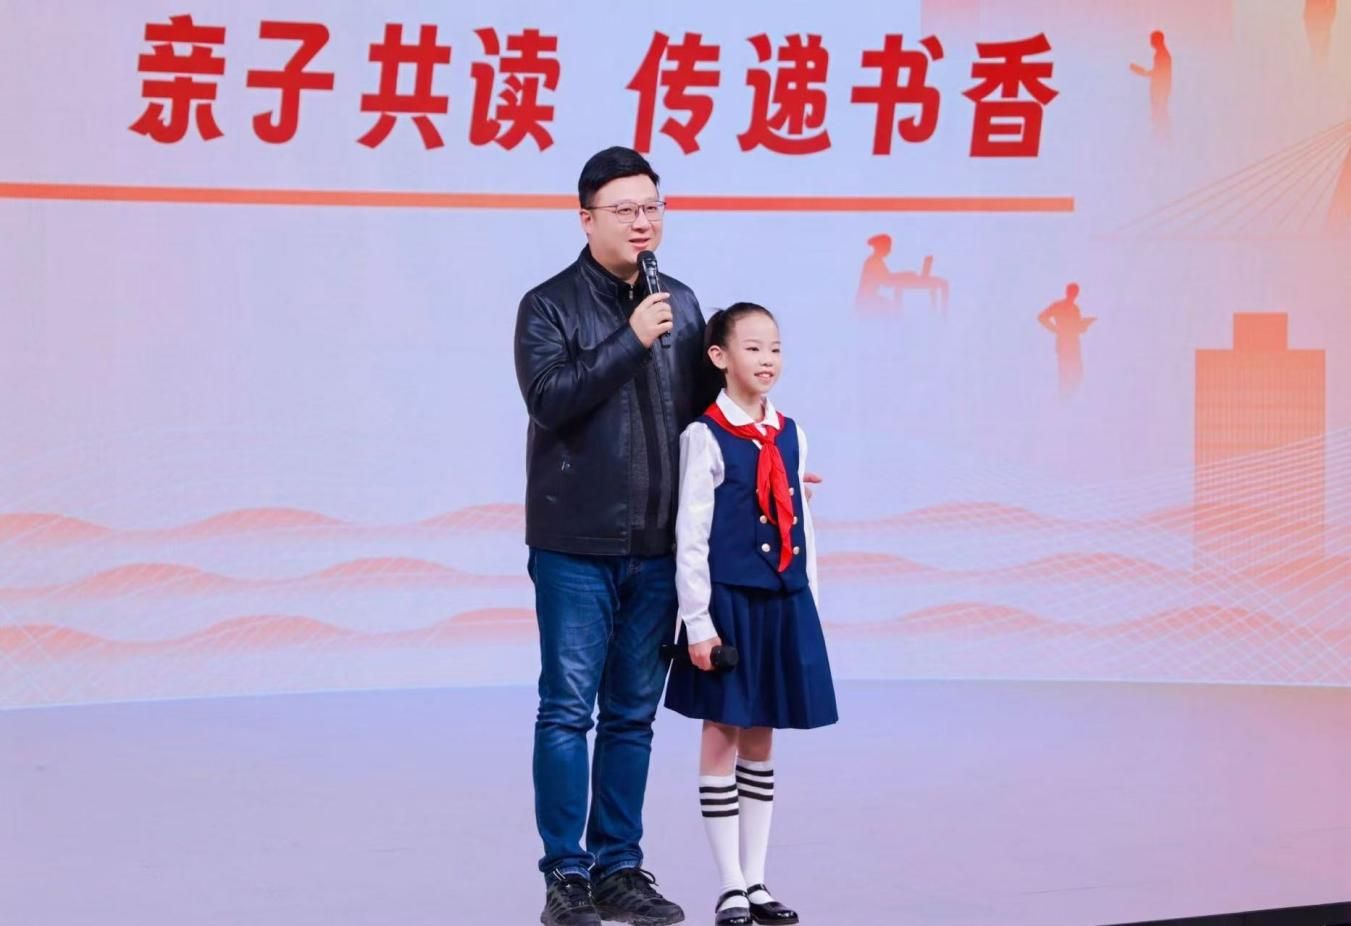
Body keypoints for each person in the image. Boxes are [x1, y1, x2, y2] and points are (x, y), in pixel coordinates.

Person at [513, 145, 717, 926]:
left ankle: (618, 869)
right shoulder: (547, 306)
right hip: (574, 543)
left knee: (632, 715)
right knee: (567, 710)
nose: (642, 222)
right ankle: (565, 875)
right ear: (585, 219)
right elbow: (550, 400)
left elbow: (706, 420)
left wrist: (771, 461)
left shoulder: (682, 304)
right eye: (625, 209)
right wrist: (630, 338)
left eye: (652, 207)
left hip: (657, 547)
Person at [663, 303, 838, 926]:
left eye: (776, 348)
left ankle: (758, 880)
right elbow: (690, 539)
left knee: (763, 735)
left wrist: (808, 599)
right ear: (719, 357)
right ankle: (730, 884)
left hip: (782, 602)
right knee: (723, 730)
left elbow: (802, 522)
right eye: (754, 348)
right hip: (729, 604)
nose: (767, 360)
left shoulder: (791, 432)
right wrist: (699, 623)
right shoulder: (704, 436)